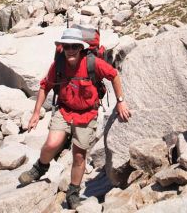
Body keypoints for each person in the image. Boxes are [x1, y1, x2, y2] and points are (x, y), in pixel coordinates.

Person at [18, 27, 130, 209]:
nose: (70, 50)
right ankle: (40, 167)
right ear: (62, 47)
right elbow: (45, 85)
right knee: (52, 144)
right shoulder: (59, 64)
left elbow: (114, 75)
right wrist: (36, 113)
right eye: (67, 46)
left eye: (74, 47)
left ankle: (73, 191)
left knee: (79, 156)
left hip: (87, 113)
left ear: (81, 48)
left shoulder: (93, 63)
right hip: (64, 109)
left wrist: (120, 101)